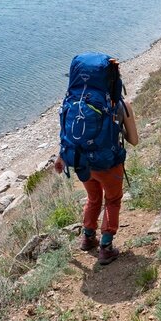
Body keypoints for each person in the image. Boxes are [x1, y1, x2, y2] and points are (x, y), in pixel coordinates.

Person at [54, 57, 139, 265]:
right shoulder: (120, 104)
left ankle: (88, 237)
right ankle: (106, 247)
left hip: (81, 161)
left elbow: (68, 133)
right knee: (112, 200)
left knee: (93, 199)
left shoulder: (72, 102)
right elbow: (134, 141)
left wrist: (61, 157)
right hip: (108, 163)